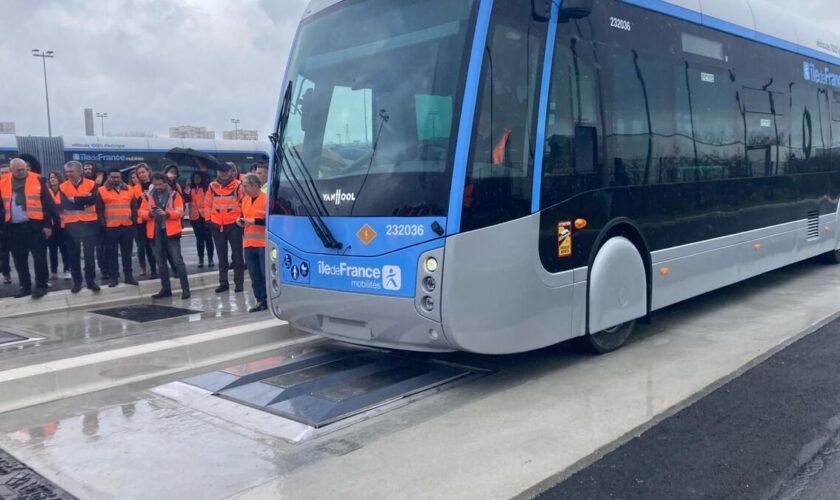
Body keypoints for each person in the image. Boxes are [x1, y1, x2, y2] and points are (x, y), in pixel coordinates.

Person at [0, 158, 58, 298]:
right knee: (19, 259)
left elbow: (47, 204)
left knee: (39, 257)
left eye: (24, 169)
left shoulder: (37, 179)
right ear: (12, 170)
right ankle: (25, 286)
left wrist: (47, 225)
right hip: (13, 227)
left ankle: (41, 285)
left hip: (34, 226)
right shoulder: (3, 181)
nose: (22, 172)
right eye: (18, 170)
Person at [138, 173, 190, 300]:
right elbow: (140, 212)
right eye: (155, 184)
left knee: (178, 261)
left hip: (171, 232)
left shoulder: (175, 195)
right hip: (155, 232)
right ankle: (166, 289)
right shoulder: (148, 196)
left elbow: (179, 212)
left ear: (166, 183)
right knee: (161, 262)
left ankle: (185, 289)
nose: (157, 187)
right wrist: (150, 214)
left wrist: (166, 213)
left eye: (160, 184)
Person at [202, 162, 245, 293]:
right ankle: (223, 283)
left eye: (227, 172)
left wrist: (240, 220)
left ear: (231, 172)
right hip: (217, 225)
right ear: (218, 173)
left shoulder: (238, 185)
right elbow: (207, 204)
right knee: (222, 257)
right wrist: (208, 220)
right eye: (222, 172)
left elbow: (243, 202)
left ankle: (238, 283)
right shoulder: (212, 186)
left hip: (233, 225)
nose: (224, 175)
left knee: (237, 256)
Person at [60, 161, 101, 293]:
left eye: (71, 172)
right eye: (67, 172)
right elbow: (65, 205)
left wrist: (75, 200)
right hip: (71, 224)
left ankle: (91, 281)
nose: (68, 174)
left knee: (89, 254)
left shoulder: (91, 184)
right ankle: (77, 282)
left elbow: (93, 200)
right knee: (74, 255)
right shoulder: (63, 186)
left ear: (79, 171)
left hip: (89, 223)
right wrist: (82, 201)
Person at [97, 168, 138, 287]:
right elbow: (99, 210)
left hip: (127, 226)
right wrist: (102, 224)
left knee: (127, 253)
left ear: (121, 177)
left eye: (117, 177)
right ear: (108, 177)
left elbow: (134, 207)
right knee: (112, 254)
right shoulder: (102, 190)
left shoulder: (129, 189)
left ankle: (129, 277)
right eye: (113, 177)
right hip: (110, 227)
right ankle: (114, 278)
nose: (115, 179)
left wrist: (133, 222)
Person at [239, 174, 267, 312]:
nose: (243, 189)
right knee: (254, 275)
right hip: (248, 243)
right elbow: (244, 215)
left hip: (262, 243)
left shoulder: (266, 199)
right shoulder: (245, 200)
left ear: (255, 185)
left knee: (265, 274)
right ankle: (260, 300)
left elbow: (271, 220)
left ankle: (269, 300)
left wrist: (254, 221)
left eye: (245, 186)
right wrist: (240, 221)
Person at [131, 164, 156, 277]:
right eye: (139, 173)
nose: (141, 175)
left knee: (153, 246)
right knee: (141, 246)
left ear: (148, 172)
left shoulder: (155, 184)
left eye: (143, 172)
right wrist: (141, 198)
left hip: (152, 220)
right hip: (140, 220)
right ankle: (143, 267)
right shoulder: (135, 187)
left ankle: (154, 269)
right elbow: (133, 204)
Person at [185, 171, 214, 268]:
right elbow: (186, 198)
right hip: (195, 217)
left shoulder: (206, 188)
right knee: (199, 239)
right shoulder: (191, 189)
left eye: (198, 177)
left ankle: (210, 258)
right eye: (195, 178)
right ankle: (200, 258)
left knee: (208, 238)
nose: (196, 179)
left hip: (205, 217)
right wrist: (187, 187)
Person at [46, 171, 71, 281]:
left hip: (63, 225)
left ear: (59, 179)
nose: (52, 179)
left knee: (65, 249)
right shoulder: (46, 192)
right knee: (52, 249)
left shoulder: (64, 191)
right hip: (51, 225)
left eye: (55, 177)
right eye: (51, 178)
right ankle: (54, 271)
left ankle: (67, 270)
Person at [0, 163, 10, 284]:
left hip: (16, 225)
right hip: (2, 225)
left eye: (6, 172)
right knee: (3, 251)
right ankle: (6, 273)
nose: (4, 175)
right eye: (1, 173)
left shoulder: (18, 186)